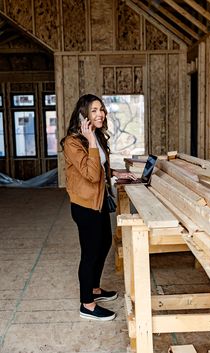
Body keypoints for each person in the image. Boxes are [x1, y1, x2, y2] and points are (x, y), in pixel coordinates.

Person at [60, 94, 136, 321]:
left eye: (101, 109)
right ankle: (87, 304)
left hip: (100, 201)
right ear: (84, 114)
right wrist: (90, 139)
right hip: (85, 205)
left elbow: (101, 168)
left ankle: (94, 288)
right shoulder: (72, 142)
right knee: (90, 253)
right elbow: (91, 174)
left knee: (103, 245)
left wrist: (118, 174)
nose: (100, 113)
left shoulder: (96, 137)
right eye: (94, 110)